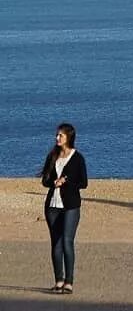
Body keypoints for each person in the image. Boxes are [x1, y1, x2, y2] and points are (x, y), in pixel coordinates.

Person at [39, 123, 87, 294]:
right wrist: (53, 182)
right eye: (57, 135)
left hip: (71, 206)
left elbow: (84, 183)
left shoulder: (78, 158)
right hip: (52, 206)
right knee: (56, 243)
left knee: (67, 241)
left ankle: (69, 282)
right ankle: (58, 280)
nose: (57, 138)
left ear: (69, 137)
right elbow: (44, 180)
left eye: (61, 135)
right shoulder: (52, 156)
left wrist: (66, 182)